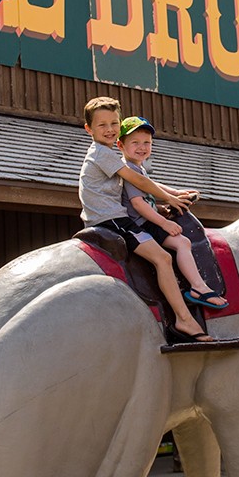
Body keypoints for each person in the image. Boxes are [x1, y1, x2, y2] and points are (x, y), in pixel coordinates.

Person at [78, 96, 207, 345]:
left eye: (114, 123)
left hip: (115, 216)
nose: (109, 129)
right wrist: (171, 198)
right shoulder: (100, 154)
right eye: (101, 125)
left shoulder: (107, 154)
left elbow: (142, 182)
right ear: (88, 129)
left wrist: (171, 197)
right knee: (163, 257)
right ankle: (183, 318)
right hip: (111, 220)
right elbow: (139, 182)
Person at [118, 115, 229, 311]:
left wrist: (176, 194)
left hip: (149, 219)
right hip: (143, 224)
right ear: (120, 145)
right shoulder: (128, 171)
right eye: (135, 142)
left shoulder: (137, 168)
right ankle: (198, 287)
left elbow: (152, 187)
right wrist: (164, 222)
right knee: (182, 242)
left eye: (147, 142)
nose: (142, 147)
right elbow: (138, 204)